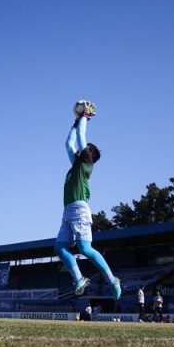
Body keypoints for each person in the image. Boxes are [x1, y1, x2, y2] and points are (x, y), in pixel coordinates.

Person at [54, 100, 121, 300]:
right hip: (68, 211)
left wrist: (84, 118)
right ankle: (79, 279)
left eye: (85, 149)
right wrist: (75, 123)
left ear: (88, 154)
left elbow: (82, 137)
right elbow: (68, 143)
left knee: (85, 249)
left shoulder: (86, 163)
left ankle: (112, 279)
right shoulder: (75, 164)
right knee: (60, 248)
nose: (80, 149)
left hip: (80, 209)